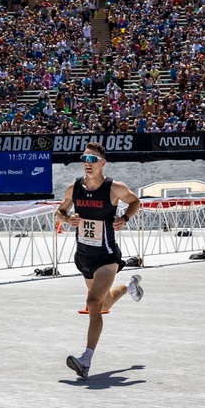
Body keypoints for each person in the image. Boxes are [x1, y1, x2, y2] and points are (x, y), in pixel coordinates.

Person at [56, 142, 143, 380]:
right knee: (103, 304)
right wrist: (66, 219)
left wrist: (124, 217)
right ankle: (130, 287)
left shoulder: (114, 187)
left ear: (103, 163)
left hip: (106, 257)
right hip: (83, 257)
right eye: (84, 158)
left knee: (92, 303)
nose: (87, 162)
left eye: (93, 159)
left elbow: (136, 201)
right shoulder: (74, 188)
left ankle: (85, 360)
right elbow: (59, 212)